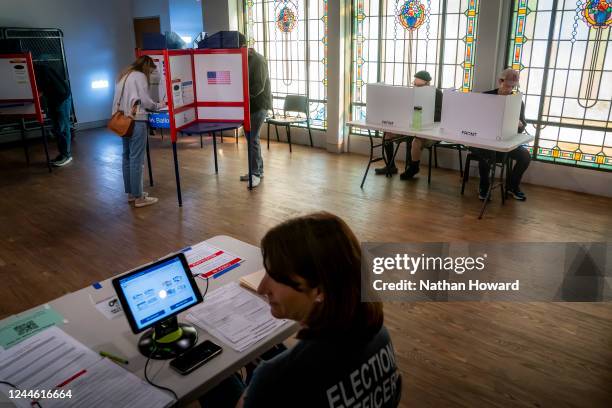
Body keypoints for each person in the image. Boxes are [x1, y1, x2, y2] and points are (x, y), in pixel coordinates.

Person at [201, 212, 402, 408]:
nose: (262, 288)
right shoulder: (379, 335)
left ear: (320, 290)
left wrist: (256, 390)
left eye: (276, 276)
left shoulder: (273, 379)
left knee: (207, 372)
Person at [112, 56, 164, 208]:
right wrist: (158, 105)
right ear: (148, 66)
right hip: (137, 121)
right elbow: (146, 101)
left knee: (127, 156)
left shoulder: (124, 75)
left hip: (123, 121)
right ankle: (139, 197)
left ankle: (131, 193)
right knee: (137, 159)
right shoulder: (140, 76)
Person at [472, 68, 530, 201]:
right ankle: (484, 187)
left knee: (525, 156)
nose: (509, 89)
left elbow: (522, 125)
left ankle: (512, 186)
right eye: (507, 85)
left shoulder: (517, 101)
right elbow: (475, 119)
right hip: (485, 139)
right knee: (486, 154)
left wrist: (520, 125)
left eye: (513, 86)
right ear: (500, 81)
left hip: (506, 140)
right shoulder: (486, 97)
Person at [374, 70, 442, 180]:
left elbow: (439, 115)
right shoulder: (411, 92)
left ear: (427, 84)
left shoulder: (437, 93)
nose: (416, 87)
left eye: (419, 86)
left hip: (428, 128)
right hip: (409, 125)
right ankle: (390, 166)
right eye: (414, 84)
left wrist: (422, 114)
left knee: (415, 140)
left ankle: (413, 168)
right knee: (388, 133)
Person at [239, 34, 272, 188]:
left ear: (243, 47)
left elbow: (258, 86)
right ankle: (257, 170)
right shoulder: (242, 59)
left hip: (259, 105)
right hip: (249, 106)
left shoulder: (258, 60)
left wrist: (241, 97)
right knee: (252, 139)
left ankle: (256, 173)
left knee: (252, 139)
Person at [34, 62, 73, 167]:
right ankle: (63, 154)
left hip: (61, 98)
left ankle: (67, 155)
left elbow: (42, 90)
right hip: (54, 99)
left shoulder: (40, 70)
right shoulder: (37, 69)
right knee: (58, 128)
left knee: (62, 128)